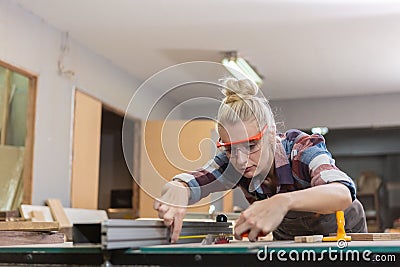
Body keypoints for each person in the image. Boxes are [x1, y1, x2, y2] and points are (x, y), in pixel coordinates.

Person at [153, 78, 367, 243]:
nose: (240, 160)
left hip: (343, 236)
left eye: (251, 145)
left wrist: (282, 202)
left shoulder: (302, 149)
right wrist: (178, 188)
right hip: (289, 244)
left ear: (271, 134)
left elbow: (342, 193)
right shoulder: (232, 163)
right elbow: (194, 181)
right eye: (229, 148)